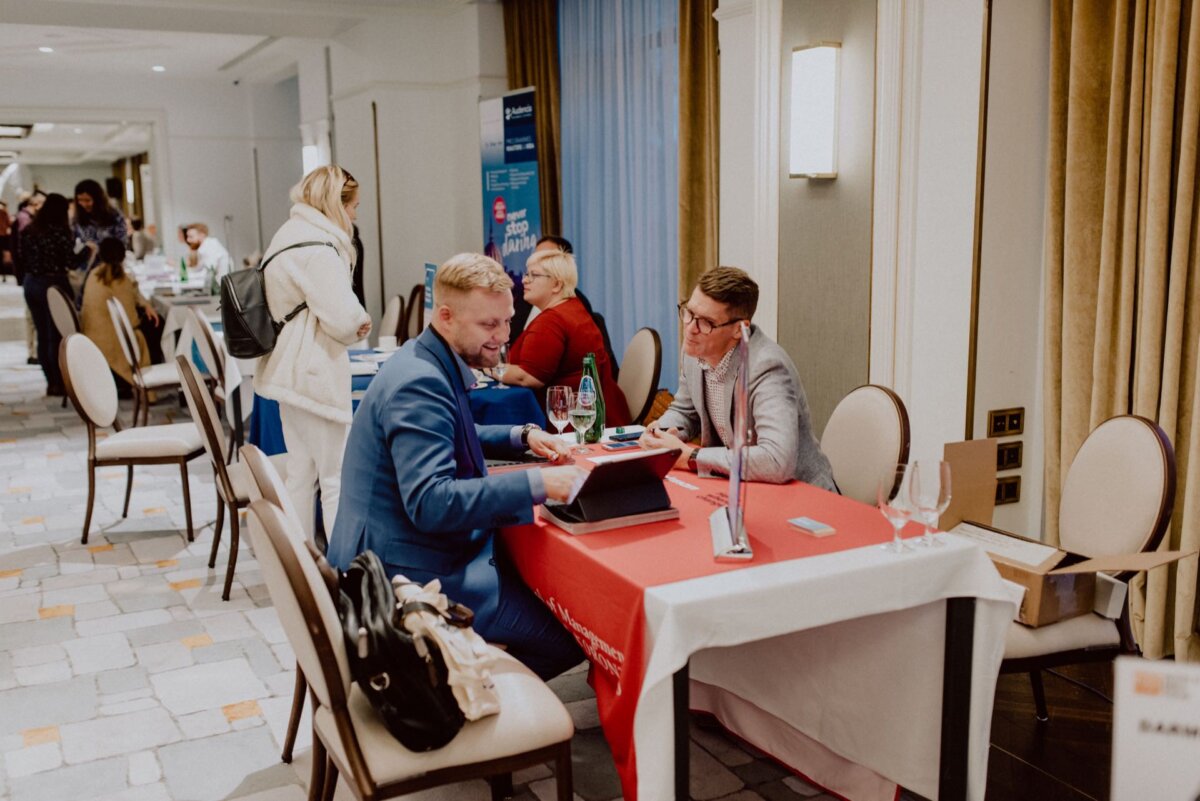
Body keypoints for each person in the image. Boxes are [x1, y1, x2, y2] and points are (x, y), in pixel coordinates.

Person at [328, 252, 586, 680]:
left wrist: (519, 436)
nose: (503, 337)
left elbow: (449, 429)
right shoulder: (421, 382)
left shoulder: (421, 358)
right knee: (568, 635)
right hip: (404, 578)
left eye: (507, 322)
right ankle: (457, 684)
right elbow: (431, 502)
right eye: (489, 325)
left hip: (385, 550)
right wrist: (538, 484)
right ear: (446, 317)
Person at [254, 165, 372, 540]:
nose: (355, 216)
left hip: (289, 370)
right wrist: (360, 321)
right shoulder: (319, 249)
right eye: (353, 207)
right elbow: (342, 316)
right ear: (337, 206)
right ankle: (342, 571)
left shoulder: (288, 235)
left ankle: (304, 561)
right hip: (315, 370)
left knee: (301, 474)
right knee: (336, 476)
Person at [640, 266, 836, 488]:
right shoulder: (696, 352)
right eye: (689, 312)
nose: (690, 328)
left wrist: (692, 458)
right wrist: (660, 435)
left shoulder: (767, 367)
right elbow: (685, 412)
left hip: (800, 496)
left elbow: (777, 460)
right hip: (740, 487)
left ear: (738, 330)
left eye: (706, 322)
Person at [497, 248, 631, 425]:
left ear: (557, 285)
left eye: (533, 275)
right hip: (600, 413)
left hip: (573, 424)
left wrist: (489, 369)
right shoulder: (573, 307)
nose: (524, 280)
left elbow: (527, 377)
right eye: (526, 274)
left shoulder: (552, 320)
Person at [80, 238, 161, 391]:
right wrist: (146, 305)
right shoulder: (121, 279)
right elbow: (131, 318)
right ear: (123, 256)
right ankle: (152, 377)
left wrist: (144, 303)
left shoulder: (93, 275)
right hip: (118, 345)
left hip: (92, 338)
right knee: (156, 325)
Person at [20, 193, 75, 395]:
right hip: (53, 283)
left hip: (31, 283)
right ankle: (60, 382)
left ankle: (51, 382)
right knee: (56, 336)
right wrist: (87, 251)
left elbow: (21, 257)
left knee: (42, 334)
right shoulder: (59, 231)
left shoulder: (28, 230)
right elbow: (71, 261)